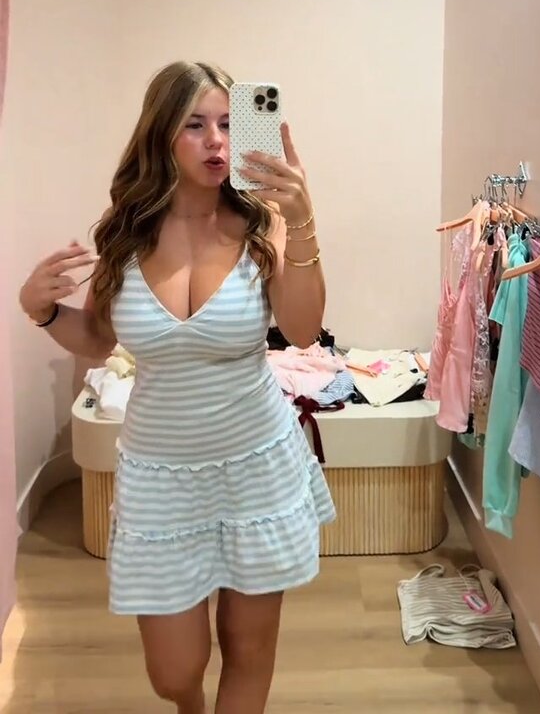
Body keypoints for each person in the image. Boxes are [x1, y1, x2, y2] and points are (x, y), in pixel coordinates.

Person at [19, 60, 336, 714]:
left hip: (256, 467)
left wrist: (303, 220)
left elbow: (303, 329)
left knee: (248, 650)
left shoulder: (264, 225)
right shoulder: (127, 231)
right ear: (161, 133)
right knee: (173, 671)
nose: (216, 140)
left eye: (228, 123)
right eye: (195, 125)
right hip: (161, 478)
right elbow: (100, 338)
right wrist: (42, 311)